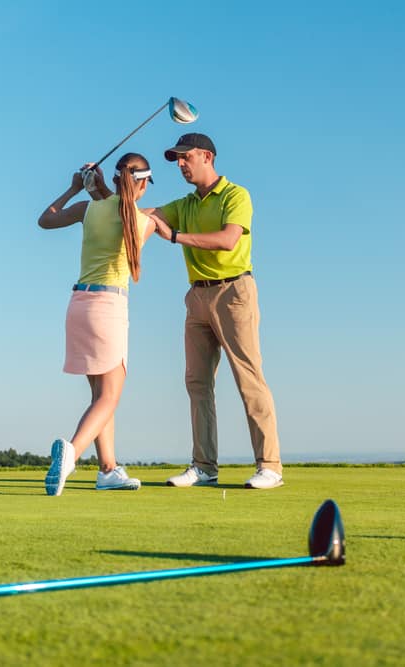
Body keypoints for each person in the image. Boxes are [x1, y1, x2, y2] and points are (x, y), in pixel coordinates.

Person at [147, 133, 284, 489]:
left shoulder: (237, 195)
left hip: (234, 292)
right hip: (197, 298)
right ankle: (204, 466)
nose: (180, 165)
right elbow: (143, 215)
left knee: (248, 378)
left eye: (185, 157)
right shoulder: (185, 204)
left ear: (207, 156)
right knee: (197, 383)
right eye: (176, 159)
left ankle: (270, 466)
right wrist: (102, 189)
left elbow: (228, 240)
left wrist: (175, 237)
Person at [37, 153, 156, 495]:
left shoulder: (89, 209)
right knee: (110, 397)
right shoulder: (142, 221)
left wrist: (76, 188)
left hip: (78, 306)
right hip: (109, 308)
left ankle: (107, 469)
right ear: (143, 183)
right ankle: (72, 454)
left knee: (99, 395)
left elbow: (46, 220)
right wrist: (99, 188)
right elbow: (121, 209)